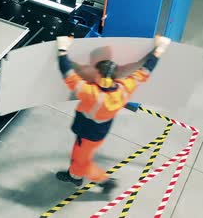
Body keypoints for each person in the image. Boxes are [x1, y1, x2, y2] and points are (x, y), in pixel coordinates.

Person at [55, 35, 171, 186]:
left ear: (98, 75)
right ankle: (78, 175)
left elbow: (68, 74)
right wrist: (159, 50)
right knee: (79, 156)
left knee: (81, 161)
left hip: (87, 132)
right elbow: (145, 71)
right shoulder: (124, 88)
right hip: (98, 132)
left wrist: (62, 48)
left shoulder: (91, 94)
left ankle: (98, 180)